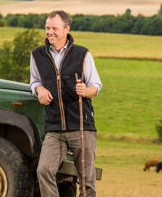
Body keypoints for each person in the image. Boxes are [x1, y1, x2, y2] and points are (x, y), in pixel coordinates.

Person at [30, 10, 102, 197]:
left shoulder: (83, 54)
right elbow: (34, 81)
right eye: (47, 28)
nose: (50, 32)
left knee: (87, 181)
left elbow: (96, 85)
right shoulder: (37, 55)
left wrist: (86, 91)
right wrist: (39, 90)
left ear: (66, 29)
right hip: (54, 129)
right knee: (43, 171)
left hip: (81, 127)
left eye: (54, 28)